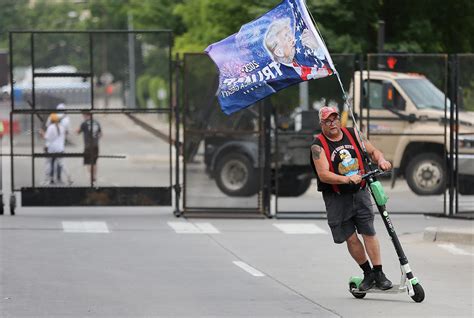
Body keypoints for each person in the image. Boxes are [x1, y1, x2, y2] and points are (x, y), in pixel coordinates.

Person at [310, 106, 393, 291]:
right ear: (321, 123)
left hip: (360, 192)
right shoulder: (318, 145)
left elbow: (373, 152)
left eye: (335, 119)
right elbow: (323, 174)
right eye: (327, 121)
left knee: (368, 232)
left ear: (340, 119)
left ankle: (379, 273)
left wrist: (381, 160)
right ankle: (367, 273)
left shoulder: (354, 133)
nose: (332, 124)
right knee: (350, 237)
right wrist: (346, 179)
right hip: (337, 197)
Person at [264, 18, 332, 82]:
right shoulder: (284, 75)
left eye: (290, 33)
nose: (292, 38)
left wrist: (317, 48)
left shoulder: (303, 54)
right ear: (279, 52)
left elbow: (330, 67)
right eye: (286, 37)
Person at [40, 113, 66, 185]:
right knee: (59, 164)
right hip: (60, 148)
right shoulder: (62, 127)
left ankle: (51, 179)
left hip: (52, 149)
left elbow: (47, 138)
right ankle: (59, 178)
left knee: (51, 164)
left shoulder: (51, 127)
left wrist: (42, 133)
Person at [76, 112, 102, 184]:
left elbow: (78, 132)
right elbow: (100, 134)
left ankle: (91, 176)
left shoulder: (84, 123)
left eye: (83, 115)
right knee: (94, 162)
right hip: (96, 145)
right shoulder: (97, 123)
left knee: (88, 162)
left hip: (88, 145)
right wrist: (96, 139)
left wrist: (76, 130)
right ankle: (94, 176)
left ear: (86, 115)